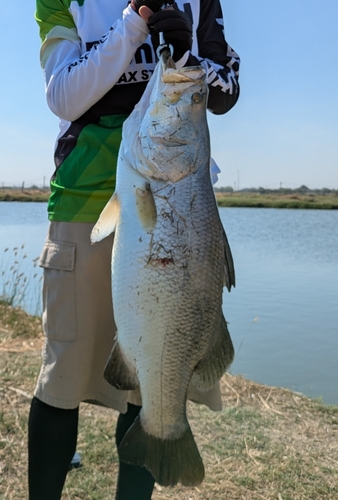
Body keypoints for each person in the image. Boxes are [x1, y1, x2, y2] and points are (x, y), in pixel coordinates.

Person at [28, 0, 240, 498]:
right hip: (84, 198)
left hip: (184, 207)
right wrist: (130, 26)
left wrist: (190, 57)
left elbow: (227, 87)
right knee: (63, 381)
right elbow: (62, 96)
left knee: (148, 388)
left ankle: (162, 435)